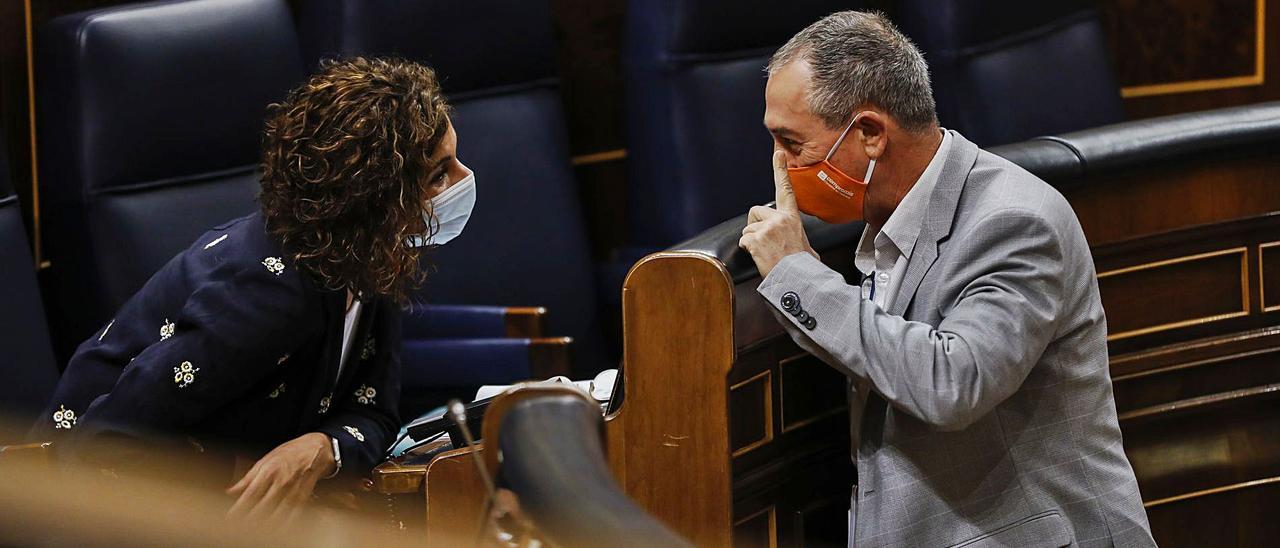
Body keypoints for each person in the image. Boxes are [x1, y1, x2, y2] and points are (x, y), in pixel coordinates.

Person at [738, 11, 1156, 547]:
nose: (780, 167)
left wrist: (797, 274)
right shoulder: (881, 222)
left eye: (792, 144)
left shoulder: (1015, 221)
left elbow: (951, 382)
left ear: (868, 134)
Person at [30, 57, 475, 521]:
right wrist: (247, 474)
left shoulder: (367, 257)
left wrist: (321, 450)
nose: (464, 181)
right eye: (438, 175)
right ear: (376, 198)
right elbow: (104, 444)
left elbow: (378, 410)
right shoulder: (265, 297)